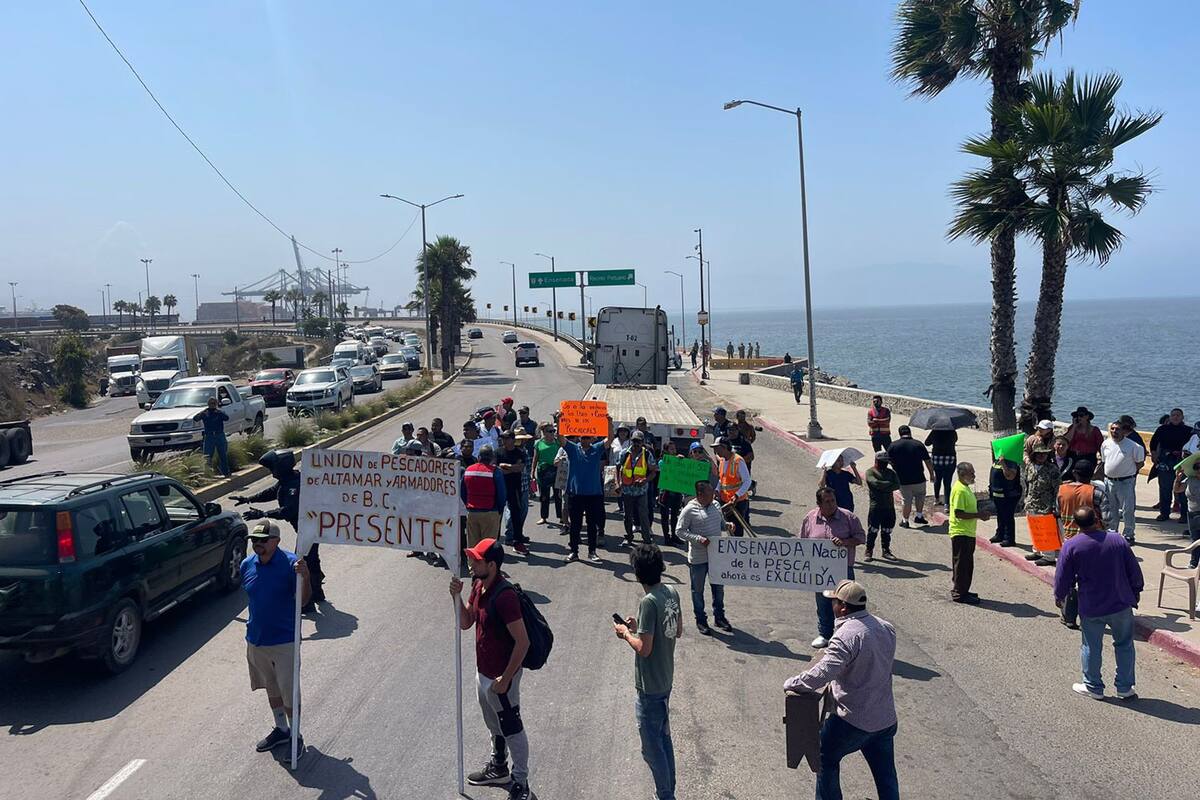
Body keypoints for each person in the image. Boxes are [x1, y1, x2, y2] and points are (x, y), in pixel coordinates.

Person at [783, 579, 899, 800]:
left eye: (834, 601)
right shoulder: (886, 627)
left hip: (853, 720)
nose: (831, 605)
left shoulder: (847, 636)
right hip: (885, 718)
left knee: (824, 756)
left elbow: (824, 673)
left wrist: (793, 683)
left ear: (843, 607)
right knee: (885, 774)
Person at [450, 539, 537, 800]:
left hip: (502, 678)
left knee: (512, 728)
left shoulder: (505, 596)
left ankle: (521, 782)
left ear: (492, 565)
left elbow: (523, 642)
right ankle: (498, 767)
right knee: (493, 723)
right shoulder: (478, 585)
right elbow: (466, 622)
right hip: (484, 673)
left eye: (476, 560)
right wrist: (456, 595)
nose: (471, 563)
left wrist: (505, 679)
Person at [613, 543, 682, 800]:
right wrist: (640, 626)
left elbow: (644, 648)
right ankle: (668, 791)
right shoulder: (671, 592)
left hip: (650, 685)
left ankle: (665, 795)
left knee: (652, 748)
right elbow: (677, 629)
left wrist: (626, 633)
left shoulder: (648, 601)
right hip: (665, 678)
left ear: (637, 573)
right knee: (663, 741)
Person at [1054, 508, 1143, 701]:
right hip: (1120, 603)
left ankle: (1093, 686)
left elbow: (1062, 577)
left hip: (1091, 606)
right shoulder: (1118, 540)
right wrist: (1135, 592)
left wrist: (1059, 596)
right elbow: (1134, 571)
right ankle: (1125, 688)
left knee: (1091, 646)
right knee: (1125, 644)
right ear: (1097, 520)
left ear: (1077, 525)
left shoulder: (1071, 546)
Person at [241, 520, 310, 755]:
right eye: (254, 540)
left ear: (276, 541)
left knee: (289, 691)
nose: (257, 544)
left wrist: (306, 577)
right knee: (271, 687)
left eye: (262, 540)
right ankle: (282, 730)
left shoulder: (292, 565)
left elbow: (303, 601)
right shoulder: (246, 564)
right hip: (257, 640)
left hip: (284, 641)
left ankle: (296, 736)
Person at [234, 449, 325, 612]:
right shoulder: (288, 480)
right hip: (308, 526)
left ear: (281, 467)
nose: (272, 471)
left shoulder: (295, 485)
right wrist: (249, 499)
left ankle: (307, 601)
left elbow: (288, 510)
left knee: (301, 562)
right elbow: (271, 493)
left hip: (310, 528)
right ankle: (317, 591)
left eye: (273, 467)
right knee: (311, 559)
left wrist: (263, 514)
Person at [800, 487, 866, 648]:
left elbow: (861, 537)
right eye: (827, 502)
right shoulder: (810, 518)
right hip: (819, 570)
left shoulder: (848, 517)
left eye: (833, 501)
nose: (831, 505)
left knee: (846, 603)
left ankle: (847, 636)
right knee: (823, 602)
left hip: (843, 569)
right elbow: (802, 543)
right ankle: (825, 634)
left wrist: (845, 542)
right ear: (819, 504)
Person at [1056, 461, 1110, 628]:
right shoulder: (1097, 493)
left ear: (1074, 472)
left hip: (1069, 541)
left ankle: (1069, 616)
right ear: (1093, 472)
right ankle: (1093, 613)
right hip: (1093, 543)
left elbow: (1057, 512)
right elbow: (1108, 519)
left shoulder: (1062, 490)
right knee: (1093, 579)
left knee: (1070, 580)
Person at [676, 479, 733, 634]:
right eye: (709, 492)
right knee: (698, 591)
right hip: (698, 559)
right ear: (700, 494)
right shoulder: (689, 510)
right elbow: (679, 531)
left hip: (716, 557)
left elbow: (720, 523)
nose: (713, 494)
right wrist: (698, 539)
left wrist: (727, 525)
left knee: (718, 589)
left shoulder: (715, 505)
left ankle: (719, 617)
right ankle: (701, 620)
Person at [558, 416, 614, 562]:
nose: (585, 440)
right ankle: (574, 552)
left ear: (592, 438)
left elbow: (610, 439)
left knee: (591, 524)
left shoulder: (597, 448)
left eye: (587, 437)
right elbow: (561, 438)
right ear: (579, 438)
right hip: (575, 494)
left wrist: (609, 423)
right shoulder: (572, 449)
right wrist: (559, 421)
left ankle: (592, 551)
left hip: (593, 494)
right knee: (575, 524)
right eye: (583, 437)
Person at [948, 462, 990, 604]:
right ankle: (960, 593)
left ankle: (963, 589)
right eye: (971, 473)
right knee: (963, 564)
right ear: (962, 474)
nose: (974, 476)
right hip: (961, 532)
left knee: (966, 564)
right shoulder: (960, 490)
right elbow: (959, 513)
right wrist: (979, 515)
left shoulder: (964, 488)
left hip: (967, 532)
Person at [1099, 420, 1145, 543]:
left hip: (1126, 482)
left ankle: (1129, 534)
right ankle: (1112, 533)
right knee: (1111, 509)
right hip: (1108, 481)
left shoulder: (1134, 446)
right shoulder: (1105, 444)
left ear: (1124, 431)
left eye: (1117, 429)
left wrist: (1127, 473)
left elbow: (1140, 463)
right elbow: (1104, 461)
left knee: (1127, 510)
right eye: (1112, 429)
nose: (1114, 431)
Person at [1024, 439, 1062, 566]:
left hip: (1046, 505)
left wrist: (1055, 506)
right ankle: (1037, 551)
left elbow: (1057, 489)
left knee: (1046, 531)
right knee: (1034, 529)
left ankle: (1049, 556)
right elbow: (1027, 483)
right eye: (1039, 454)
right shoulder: (1030, 466)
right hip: (1031, 503)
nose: (1041, 456)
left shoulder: (1052, 469)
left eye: (1044, 454)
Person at [886, 426, 934, 527]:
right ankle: (919, 516)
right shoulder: (918, 444)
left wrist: (893, 468)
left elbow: (886, 460)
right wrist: (931, 474)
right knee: (920, 497)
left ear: (900, 434)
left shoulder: (893, 445)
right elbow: (927, 461)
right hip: (919, 478)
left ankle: (905, 521)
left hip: (902, 479)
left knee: (906, 500)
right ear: (910, 433)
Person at [1150, 407, 1190, 522]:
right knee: (1165, 489)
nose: (1176, 417)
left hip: (1183, 461)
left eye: (1178, 415)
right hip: (1165, 461)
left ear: (1182, 417)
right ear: (1170, 417)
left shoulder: (1189, 430)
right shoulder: (1162, 429)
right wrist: (1154, 455)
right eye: (1173, 415)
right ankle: (1164, 513)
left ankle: (1184, 515)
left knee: (1182, 489)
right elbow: (1153, 443)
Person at [619, 431, 659, 546]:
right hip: (627, 491)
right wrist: (618, 483)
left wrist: (645, 480)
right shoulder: (624, 453)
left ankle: (646, 540)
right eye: (634, 441)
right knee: (627, 516)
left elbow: (653, 472)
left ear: (642, 442)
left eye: (639, 441)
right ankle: (629, 537)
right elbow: (619, 469)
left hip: (641, 491)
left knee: (643, 516)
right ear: (631, 441)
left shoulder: (647, 454)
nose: (636, 443)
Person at [463, 445, 507, 546]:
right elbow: (502, 494)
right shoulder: (496, 472)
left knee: (473, 546)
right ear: (492, 458)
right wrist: (499, 510)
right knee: (488, 547)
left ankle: (472, 562)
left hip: (472, 512)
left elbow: (463, 492)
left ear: (479, 457)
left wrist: (468, 505)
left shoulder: (468, 470)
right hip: (490, 513)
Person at [497, 430, 530, 554]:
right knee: (497, 515)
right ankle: (495, 542)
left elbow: (521, 468)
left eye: (506, 438)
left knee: (516, 514)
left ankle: (518, 542)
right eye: (502, 438)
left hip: (514, 488)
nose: (504, 440)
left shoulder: (520, 452)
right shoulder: (498, 451)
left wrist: (507, 466)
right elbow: (497, 469)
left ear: (512, 439)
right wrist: (512, 468)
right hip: (500, 488)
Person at [864, 452, 900, 561]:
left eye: (886, 462)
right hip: (876, 507)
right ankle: (869, 550)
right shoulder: (870, 472)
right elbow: (875, 483)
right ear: (876, 461)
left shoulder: (891, 472)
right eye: (882, 462)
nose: (885, 464)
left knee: (887, 530)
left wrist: (883, 486)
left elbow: (897, 485)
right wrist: (889, 484)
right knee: (873, 530)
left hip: (889, 507)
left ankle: (886, 550)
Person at [713, 437, 752, 537]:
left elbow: (747, 481)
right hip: (726, 501)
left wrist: (737, 495)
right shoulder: (722, 460)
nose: (715, 451)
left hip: (737, 503)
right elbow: (722, 479)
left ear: (724, 447)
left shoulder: (738, 461)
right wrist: (717, 490)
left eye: (717, 448)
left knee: (737, 530)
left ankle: (736, 551)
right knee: (728, 528)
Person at [1172, 459, 1200, 579]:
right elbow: (1177, 490)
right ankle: (1193, 563)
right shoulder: (1190, 480)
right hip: (1192, 514)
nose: (1199, 470)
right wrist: (1177, 478)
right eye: (1197, 467)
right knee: (1195, 540)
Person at [987, 458, 1022, 548]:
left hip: (1009, 494)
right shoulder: (996, 460)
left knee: (1008, 516)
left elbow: (1010, 476)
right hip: (998, 493)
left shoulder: (1011, 461)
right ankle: (1000, 534)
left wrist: (1003, 464)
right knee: (1000, 515)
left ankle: (1009, 538)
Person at [193, 395, 231, 477]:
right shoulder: (205, 413)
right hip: (209, 437)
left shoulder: (219, 412)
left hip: (219, 435)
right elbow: (195, 418)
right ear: (208, 404)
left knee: (223, 455)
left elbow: (226, 418)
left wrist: (219, 412)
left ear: (217, 403)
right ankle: (208, 474)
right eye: (211, 403)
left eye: (214, 403)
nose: (212, 404)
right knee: (207, 456)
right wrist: (202, 413)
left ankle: (225, 472)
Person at [533, 424, 562, 526]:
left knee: (558, 496)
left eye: (553, 431)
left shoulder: (558, 442)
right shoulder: (538, 444)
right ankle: (544, 517)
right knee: (544, 496)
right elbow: (535, 458)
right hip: (543, 472)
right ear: (544, 432)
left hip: (556, 471)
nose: (552, 433)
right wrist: (532, 472)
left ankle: (561, 517)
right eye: (550, 431)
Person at [657, 441, 684, 546]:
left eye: (674, 449)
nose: (674, 451)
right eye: (671, 449)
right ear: (666, 451)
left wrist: (681, 461)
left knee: (674, 516)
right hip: (666, 492)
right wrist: (676, 461)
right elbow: (666, 469)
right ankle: (667, 537)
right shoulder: (662, 462)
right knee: (664, 517)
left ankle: (674, 536)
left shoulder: (679, 460)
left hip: (676, 491)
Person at [924, 425, 958, 506]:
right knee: (947, 481)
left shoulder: (935, 431)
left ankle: (936, 499)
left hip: (937, 458)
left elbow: (927, 443)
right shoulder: (952, 431)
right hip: (949, 457)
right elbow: (955, 440)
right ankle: (947, 504)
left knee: (938, 478)